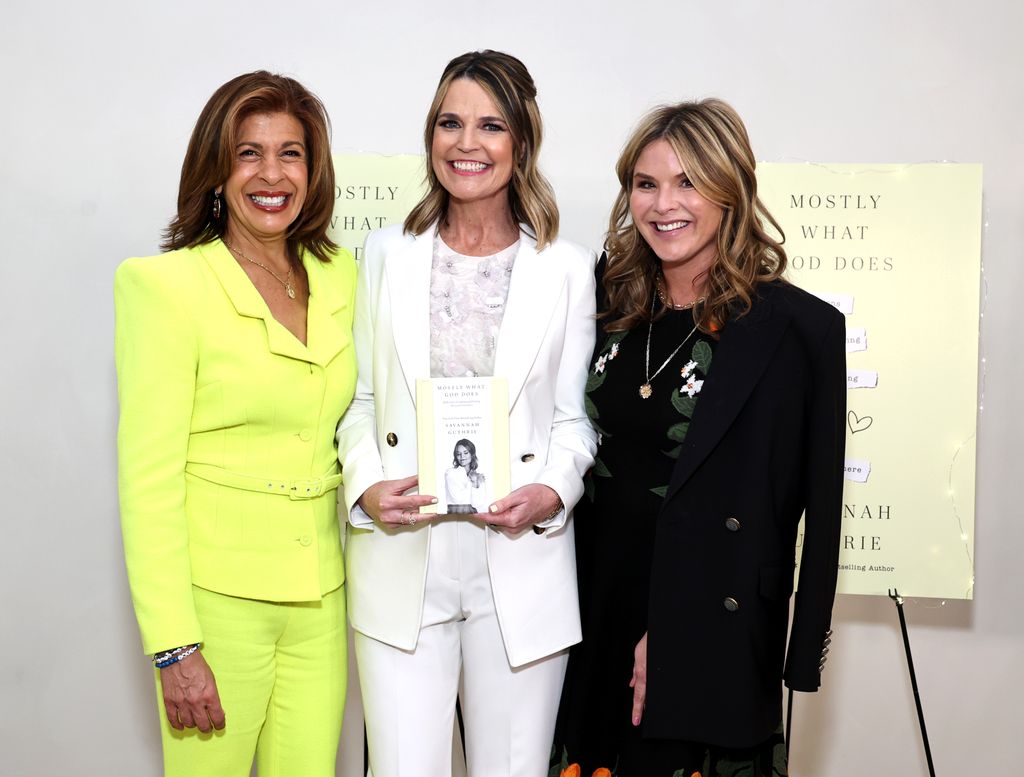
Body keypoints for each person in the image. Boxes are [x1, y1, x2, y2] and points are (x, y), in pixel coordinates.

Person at [553, 99, 846, 777]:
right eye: (646, 183)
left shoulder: (800, 330)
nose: (664, 204)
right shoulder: (600, 300)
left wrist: (710, 637)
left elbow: (819, 513)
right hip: (588, 613)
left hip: (710, 622)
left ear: (731, 189)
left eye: (688, 181)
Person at [335, 50, 597, 777]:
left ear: (521, 143)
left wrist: (552, 491)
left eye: (490, 125)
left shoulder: (567, 268)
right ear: (430, 137)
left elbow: (574, 421)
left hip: (519, 554)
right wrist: (363, 485)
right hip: (403, 550)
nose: (466, 143)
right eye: (450, 123)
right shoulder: (385, 254)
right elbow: (359, 401)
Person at [114, 71, 356, 777]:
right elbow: (147, 481)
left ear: (313, 171)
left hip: (321, 603)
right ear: (216, 171)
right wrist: (173, 646)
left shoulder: (342, 275)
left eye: (291, 153)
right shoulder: (163, 287)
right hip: (213, 614)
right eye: (248, 153)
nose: (272, 174)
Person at [444, 439, 487, 513]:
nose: (462, 456)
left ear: (472, 454)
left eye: (466, 453)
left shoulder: (477, 475)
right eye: (458, 454)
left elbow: (479, 503)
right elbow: (458, 499)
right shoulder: (450, 473)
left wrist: (474, 482)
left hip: (475, 516)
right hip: (454, 515)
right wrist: (475, 484)